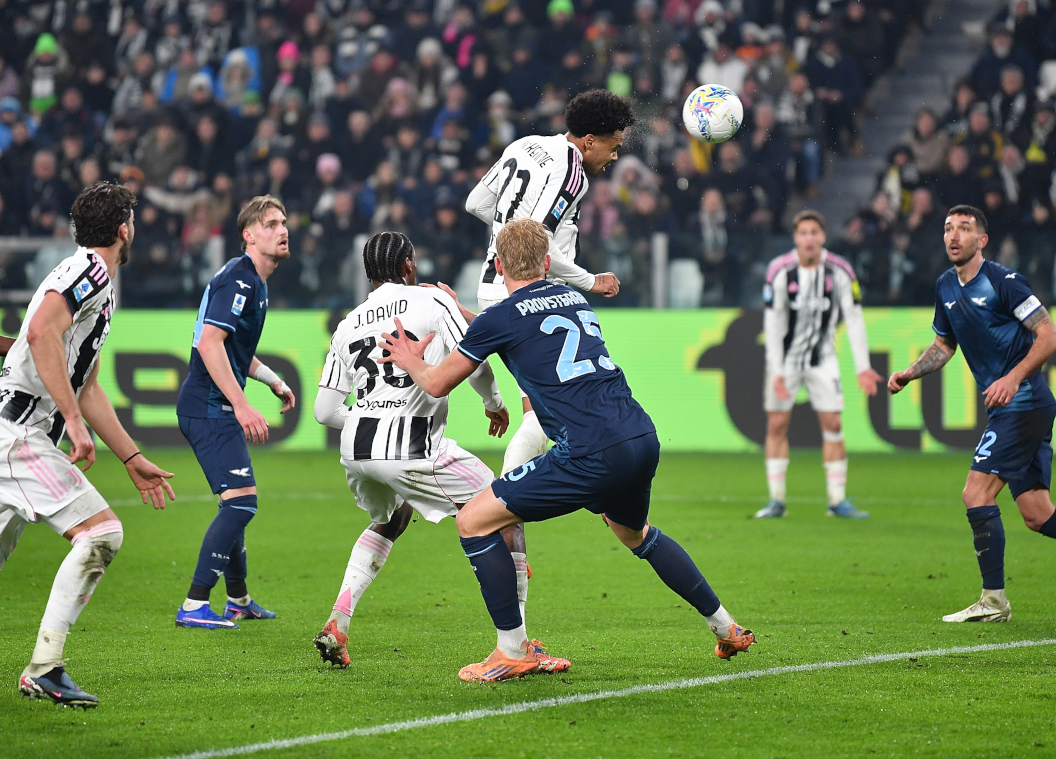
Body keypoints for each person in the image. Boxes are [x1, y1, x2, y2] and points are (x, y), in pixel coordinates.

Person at [377, 218, 755, 682]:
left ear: (496, 265)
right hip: (639, 436)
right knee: (638, 535)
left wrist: (410, 356)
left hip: (589, 452)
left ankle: (511, 650)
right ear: (548, 262)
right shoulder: (572, 297)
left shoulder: (502, 317)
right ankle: (726, 626)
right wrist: (467, 316)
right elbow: (527, 327)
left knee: (474, 520)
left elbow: (436, 383)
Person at [886, 205, 1056, 623]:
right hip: (1015, 406)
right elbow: (944, 345)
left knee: (975, 493)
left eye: (964, 228)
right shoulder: (945, 286)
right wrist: (910, 373)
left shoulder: (1004, 281)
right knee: (1037, 513)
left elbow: (1050, 336)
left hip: (1023, 402)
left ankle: (993, 600)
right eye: (947, 229)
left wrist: (1012, 379)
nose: (953, 236)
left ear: (983, 240)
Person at [310, 232, 567, 674]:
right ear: (409, 264)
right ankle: (518, 642)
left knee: (390, 518)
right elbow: (476, 353)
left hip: (357, 449)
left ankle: (338, 621)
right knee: (505, 505)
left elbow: (324, 411)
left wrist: (372, 416)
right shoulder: (430, 300)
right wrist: (495, 404)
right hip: (412, 445)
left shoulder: (349, 322)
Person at [0, 182, 175, 706]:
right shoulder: (91, 272)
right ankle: (45, 667)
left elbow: (88, 385)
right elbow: (39, 335)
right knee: (101, 533)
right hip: (20, 431)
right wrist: (72, 421)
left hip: (14, 428)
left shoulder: (93, 280)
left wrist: (132, 456)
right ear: (124, 228)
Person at [463, 89, 627, 483]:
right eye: (613, 145)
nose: (615, 156)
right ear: (589, 141)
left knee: (539, 414)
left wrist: (506, 230)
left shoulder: (527, 144)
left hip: (491, 285)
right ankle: (500, 507)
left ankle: (503, 513)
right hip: (528, 295)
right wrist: (590, 280)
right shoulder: (573, 174)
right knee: (540, 419)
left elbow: (476, 203)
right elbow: (540, 241)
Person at [174, 196, 295, 629]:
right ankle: (193, 604)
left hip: (213, 405)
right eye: (271, 224)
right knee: (242, 505)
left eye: (283, 223)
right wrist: (241, 405)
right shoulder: (239, 281)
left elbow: (234, 349)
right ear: (248, 234)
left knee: (236, 503)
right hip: (208, 408)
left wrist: (272, 380)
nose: (282, 231)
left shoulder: (253, 282)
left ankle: (239, 600)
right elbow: (209, 344)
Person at [756, 210, 883, 519]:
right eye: (803, 233)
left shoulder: (840, 271)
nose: (809, 239)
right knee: (776, 424)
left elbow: (853, 318)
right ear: (795, 238)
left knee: (834, 424)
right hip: (785, 361)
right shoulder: (779, 271)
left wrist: (862, 366)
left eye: (814, 232)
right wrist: (776, 369)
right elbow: (772, 324)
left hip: (823, 358)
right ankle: (776, 500)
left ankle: (836, 501)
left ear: (823, 236)